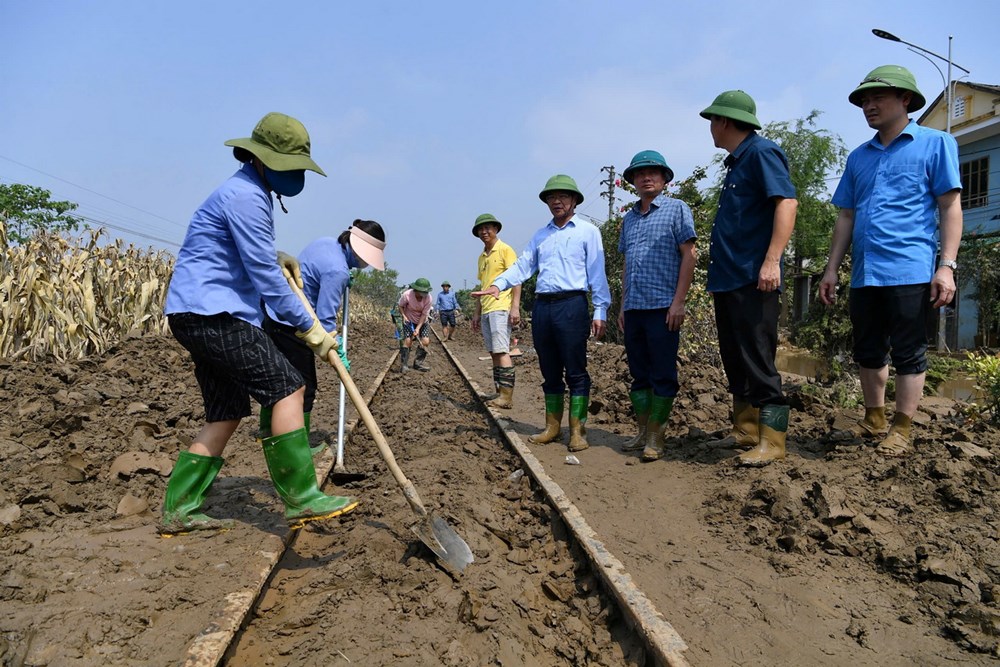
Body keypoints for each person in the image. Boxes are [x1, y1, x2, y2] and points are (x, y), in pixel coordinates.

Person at [161, 112, 358, 534]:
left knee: (226, 411)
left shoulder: (248, 191)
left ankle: (179, 508)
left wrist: (275, 253)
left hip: (195, 312)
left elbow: (247, 255)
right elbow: (265, 279)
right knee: (288, 386)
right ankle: (302, 498)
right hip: (213, 313)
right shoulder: (246, 197)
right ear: (262, 159)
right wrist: (310, 329)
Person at [818, 65, 962, 457]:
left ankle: (902, 426)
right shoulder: (858, 157)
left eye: (877, 97)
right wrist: (832, 268)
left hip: (911, 267)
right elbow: (846, 215)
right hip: (866, 271)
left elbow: (950, 205)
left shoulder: (935, 143)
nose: (869, 105)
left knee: (908, 350)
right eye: (864, 100)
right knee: (867, 348)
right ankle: (874, 417)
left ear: (905, 100)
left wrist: (946, 266)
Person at [473, 175, 611, 452]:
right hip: (543, 307)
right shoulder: (541, 235)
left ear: (574, 201)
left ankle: (577, 430)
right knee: (548, 369)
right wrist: (498, 285)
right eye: (551, 197)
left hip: (572, 304)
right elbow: (523, 267)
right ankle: (551, 427)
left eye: (562, 197)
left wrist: (600, 309)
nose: (556, 201)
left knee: (575, 369)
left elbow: (597, 273)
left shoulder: (587, 232)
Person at [700, 91, 798, 466]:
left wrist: (771, 261)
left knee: (757, 357)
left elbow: (786, 203)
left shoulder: (761, 153)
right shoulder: (735, 163)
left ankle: (773, 440)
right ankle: (745, 429)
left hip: (754, 278)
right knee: (734, 356)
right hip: (727, 279)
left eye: (713, 121)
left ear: (724, 121)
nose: (711, 128)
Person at [259, 219, 387, 455]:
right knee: (304, 385)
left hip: (273, 312)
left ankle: (267, 430)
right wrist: (335, 351)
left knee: (277, 378)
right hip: (293, 324)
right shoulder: (337, 270)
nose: (367, 264)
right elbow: (326, 320)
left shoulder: (327, 243)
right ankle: (298, 445)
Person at [617, 151, 697, 461]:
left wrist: (679, 302)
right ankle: (642, 430)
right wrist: (623, 305)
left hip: (664, 307)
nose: (646, 177)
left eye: (653, 172)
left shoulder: (677, 209)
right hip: (635, 307)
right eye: (640, 173)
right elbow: (627, 264)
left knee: (663, 373)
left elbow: (689, 255)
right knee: (639, 373)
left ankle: (656, 437)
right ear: (633, 181)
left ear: (664, 179)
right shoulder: (629, 218)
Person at [471, 213, 522, 409]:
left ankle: (507, 397)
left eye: (488, 228)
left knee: (502, 351)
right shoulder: (482, 257)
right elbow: (482, 285)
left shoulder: (505, 250)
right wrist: (477, 312)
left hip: (501, 307)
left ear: (496, 229)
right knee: (494, 352)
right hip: (487, 309)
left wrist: (514, 307)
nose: (484, 232)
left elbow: (516, 278)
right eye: (481, 230)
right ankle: (499, 391)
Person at [398, 278, 433, 372]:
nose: (423, 295)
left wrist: (417, 328)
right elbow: (400, 306)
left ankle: (418, 363)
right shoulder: (407, 295)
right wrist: (404, 316)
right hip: (409, 320)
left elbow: (424, 315)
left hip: (422, 321)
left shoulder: (429, 298)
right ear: (416, 290)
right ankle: (404, 365)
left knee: (425, 341)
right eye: (421, 292)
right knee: (408, 341)